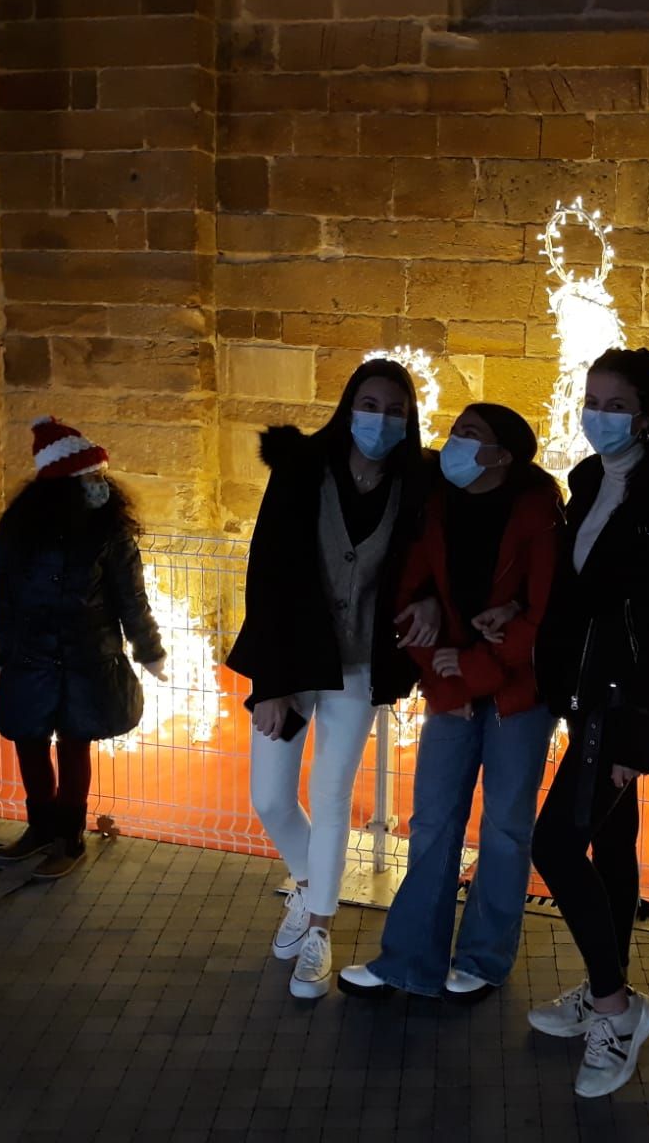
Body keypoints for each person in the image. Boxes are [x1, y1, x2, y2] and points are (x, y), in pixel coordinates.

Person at [529, 348, 649, 1098]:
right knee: (610, 840)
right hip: (582, 695)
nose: (595, 413)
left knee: (556, 844)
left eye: (612, 401)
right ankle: (613, 987)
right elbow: (577, 594)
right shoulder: (591, 480)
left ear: (647, 414)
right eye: (589, 397)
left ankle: (613, 1008)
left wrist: (640, 736)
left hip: (620, 705)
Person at [225, 359, 436, 999]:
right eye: (370, 405)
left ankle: (319, 927)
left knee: (334, 792)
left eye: (396, 410)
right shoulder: (300, 469)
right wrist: (270, 680)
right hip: (292, 660)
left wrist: (427, 602)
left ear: (409, 419)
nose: (381, 420)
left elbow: (427, 565)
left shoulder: (418, 484)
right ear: (348, 406)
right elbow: (266, 571)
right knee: (268, 796)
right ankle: (311, 885)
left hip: (360, 663)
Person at [338, 404, 563, 1002]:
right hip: (453, 686)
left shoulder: (539, 507)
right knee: (434, 820)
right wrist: (447, 682)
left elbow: (546, 617)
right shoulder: (435, 499)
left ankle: (484, 959)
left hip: (518, 692)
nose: (456, 441)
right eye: (457, 429)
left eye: (472, 435)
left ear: (503, 455)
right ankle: (410, 959)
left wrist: (472, 670)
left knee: (506, 827)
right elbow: (408, 595)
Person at [0, 417, 166, 880]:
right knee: (28, 740)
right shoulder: (19, 530)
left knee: (74, 745)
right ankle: (39, 829)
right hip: (32, 656)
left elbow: (131, 597)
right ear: (62, 486)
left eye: (100, 475)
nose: (99, 484)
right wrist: (6, 653)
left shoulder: (108, 531)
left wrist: (150, 650)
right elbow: (4, 596)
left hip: (88, 657)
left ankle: (69, 838)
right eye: (89, 477)